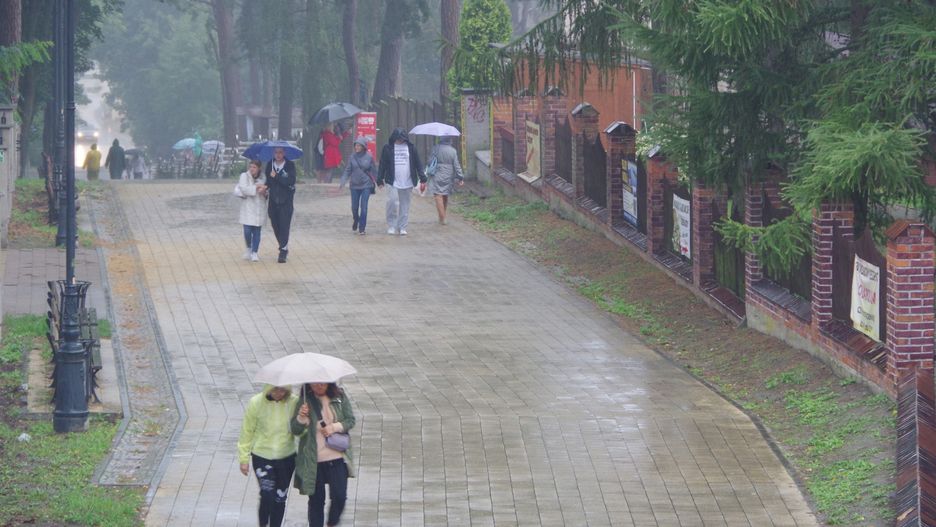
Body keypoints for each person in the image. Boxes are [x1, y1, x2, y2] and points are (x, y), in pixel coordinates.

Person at [291, 383, 355, 527]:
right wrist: (301, 418)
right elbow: (295, 430)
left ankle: (332, 522)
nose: (319, 386)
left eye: (322, 382)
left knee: (339, 497)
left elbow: (350, 420)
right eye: (315, 383)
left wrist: (333, 427)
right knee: (316, 501)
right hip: (314, 461)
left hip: (337, 457)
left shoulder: (339, 397)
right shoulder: (304, 401)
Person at [237, 384, 299, 527]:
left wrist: (302, 419)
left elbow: (300, 431)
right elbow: (247, 431)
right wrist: (244, 458)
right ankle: (263, 523)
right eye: (275, 389)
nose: (279, 393)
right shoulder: (256, 402)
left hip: (286, 457)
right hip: (262, 456)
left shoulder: (294, 402)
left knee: (280, 497)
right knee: (267, 495)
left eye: (283, 390)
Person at [377, 128, 426, 236]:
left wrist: (423, 178)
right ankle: (391, 225)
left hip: (407, 181)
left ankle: (402, 226)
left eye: (401, 139)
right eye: (397, 138)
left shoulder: (411, 148)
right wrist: (379, 179)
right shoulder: (388, 148)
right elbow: (382, 164)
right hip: (392, 180)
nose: (399, 140)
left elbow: (418, 164)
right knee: (392, 202)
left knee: (405, 205)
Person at [265, 147, 297, 263]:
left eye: (280, 152)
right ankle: (283, 244)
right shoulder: (270, 164)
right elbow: (268, 181)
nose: (278, 155)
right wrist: (264, 188)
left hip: (286, 201)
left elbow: (291, 181)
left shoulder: (289, 165)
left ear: (284, 153)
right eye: (276, 152)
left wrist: (277, 176)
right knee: (275, 225)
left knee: (284, 226)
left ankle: (283, 250)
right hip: (273, 200)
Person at [342, 137, 377, 235]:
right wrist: (343, 181)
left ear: (363, 146)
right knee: (354, 207)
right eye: (355, 145)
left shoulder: (369, 157)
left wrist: (379, 182)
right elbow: (348, 170)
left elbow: (373, 171)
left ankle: (362, 228)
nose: (356, 147)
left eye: (358, 145)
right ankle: (356, 219)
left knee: (364, 207)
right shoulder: (352, 157)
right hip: (354, 186)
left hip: (366, 185)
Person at [427, 137, 465, 225]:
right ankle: (442, 216)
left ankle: (442, 217)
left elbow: (429, 162)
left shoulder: (436, 148)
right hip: (449, 174)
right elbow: (456, 164)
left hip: (437, 173)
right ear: (450, 141)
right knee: (445, 194)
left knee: (438, 195)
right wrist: (460, 177)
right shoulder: (453, 150)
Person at [237, 160, 268, 261]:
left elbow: (268, 191)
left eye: (254, 167)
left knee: (257, 231)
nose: (252, 169)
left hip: (259, 207)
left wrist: (264, 191)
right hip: (248, 207)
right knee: (247, 230)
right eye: (250, 167)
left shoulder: (264, 178)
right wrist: (256, 188)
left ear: (259, 168)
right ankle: (248, 248)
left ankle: (255, 252)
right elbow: (243, 188)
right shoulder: (244, 176)